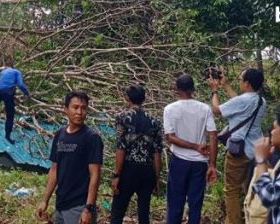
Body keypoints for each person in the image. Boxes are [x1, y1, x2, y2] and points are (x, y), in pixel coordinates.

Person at [209, 67, 266, 224]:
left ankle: (233, 221)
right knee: (249, 188)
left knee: (231, 191)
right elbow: (238, 102)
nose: (239, 82)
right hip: (255, 152)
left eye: (240, 80)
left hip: (238, 152)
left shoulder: (243, 101)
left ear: (247, 83)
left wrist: (215, 91)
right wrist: (226, 84)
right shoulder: (260, 100)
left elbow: (216, 110)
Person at [36, 90, 103, 224]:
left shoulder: (92, 138)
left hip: (79, 206)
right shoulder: (60, 135)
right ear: (66, 109)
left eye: (83, 108)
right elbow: (54, 169)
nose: (79, 112)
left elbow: (95, 175)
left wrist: (88, 208)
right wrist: (45, 200)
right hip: (60, 204)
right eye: (75, 107)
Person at [163, 74, 218, 224]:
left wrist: (193, 146)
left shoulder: (170, 109)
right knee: (195, 205)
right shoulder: (204, 108)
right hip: (199, 163)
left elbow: (170, 137)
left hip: (179, 161)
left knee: (175, 203)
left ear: (177, 89)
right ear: (193, 89)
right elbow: (213, 135)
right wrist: (212, 164)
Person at [109, 84, 162, 224]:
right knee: (144, 213)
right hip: (147, 170)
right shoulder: (154, 121)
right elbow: (157, 152)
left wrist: (116, 174)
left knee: (117, 212)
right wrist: (156, 178)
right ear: (144, 99)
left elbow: (121, 148)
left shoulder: (122, 118)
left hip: (128, 169)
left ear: (127, 98)